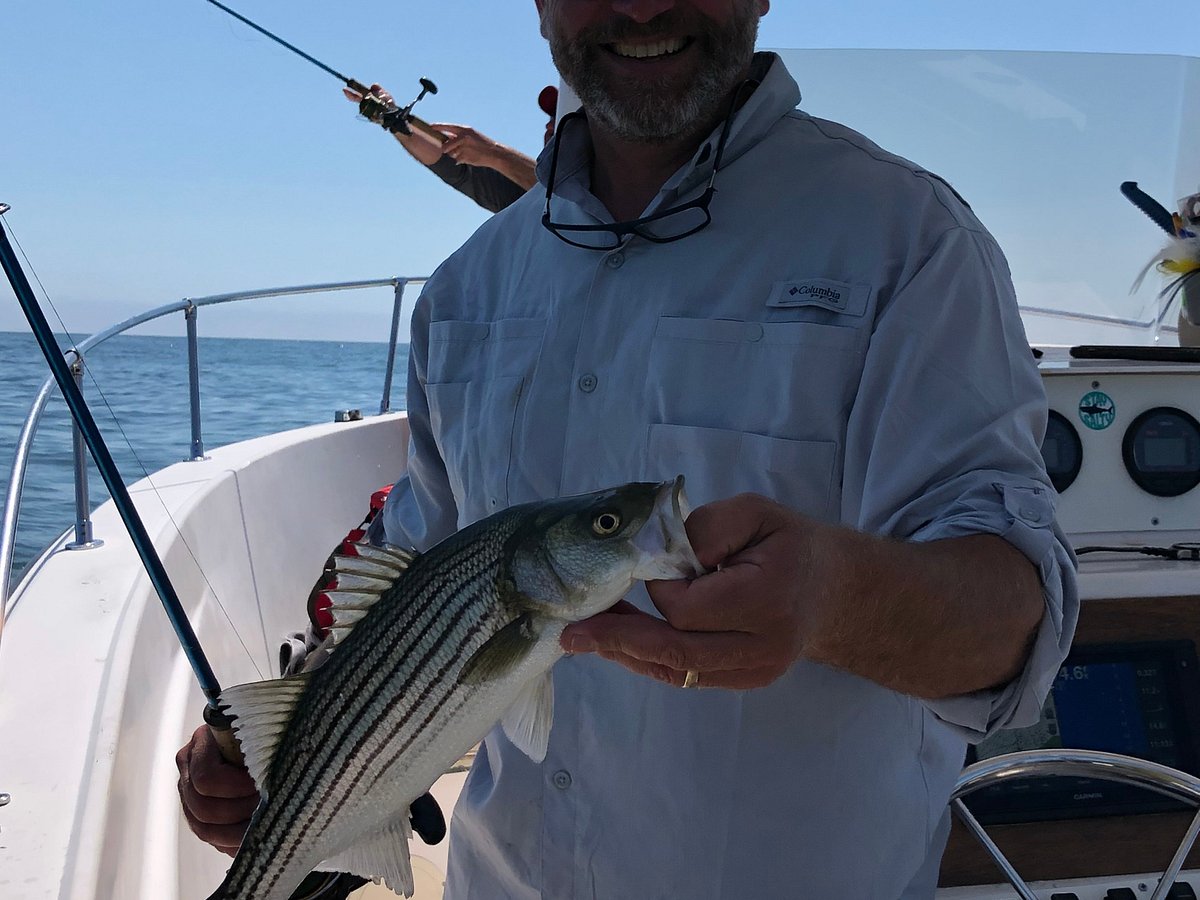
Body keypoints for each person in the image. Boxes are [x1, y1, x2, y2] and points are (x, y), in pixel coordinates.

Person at [178, 1, 1080, 897]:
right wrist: (288, 742)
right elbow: (409, 576)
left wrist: (834, 599)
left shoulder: (910, 243)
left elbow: (1016, 633)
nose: (643, 5)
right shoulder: (467, 287)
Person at [342, 83, 557, 214]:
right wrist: (390, 117)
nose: (549, 125)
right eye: (550, 117)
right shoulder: (526, 194)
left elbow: (565, 195)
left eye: (561, 116)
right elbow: (457, 167)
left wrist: (494, 153)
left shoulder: (581, 195)